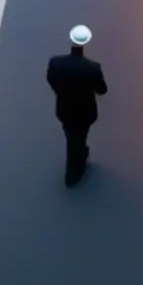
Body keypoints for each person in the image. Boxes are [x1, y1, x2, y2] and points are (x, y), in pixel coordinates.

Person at [46, 25, 108, 188]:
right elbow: (102, 90)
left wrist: (60, 92)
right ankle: (73, 174)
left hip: (64, 109)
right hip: (85, 112)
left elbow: (50, 80)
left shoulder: (55, 62)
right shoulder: (93, 67)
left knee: (71, 134)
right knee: (78, 137)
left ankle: (79, 155)